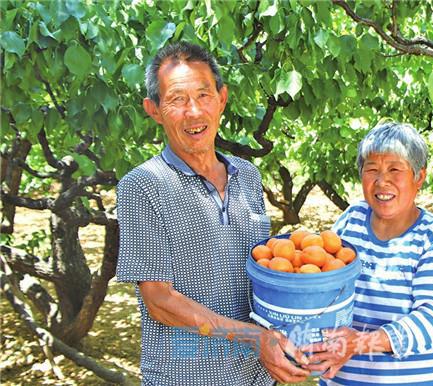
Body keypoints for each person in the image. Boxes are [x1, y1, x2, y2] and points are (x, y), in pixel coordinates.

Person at [116, 41, 310, 385]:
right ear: (154, 109)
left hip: (255, 375)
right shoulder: (143, 186)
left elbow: (262, 269)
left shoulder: (247, 176)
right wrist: (253, 338)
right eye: (177, 99)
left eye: (204, 95)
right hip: (186, 375)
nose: (194, 111)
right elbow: (159, 301)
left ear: (222, 98)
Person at [303, 122, 433, 385]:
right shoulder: (351, 221)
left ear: (418, 177)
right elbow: (327, 285)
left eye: (394, 169)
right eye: (372, 170)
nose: (382, 181)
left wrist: (359, 343)